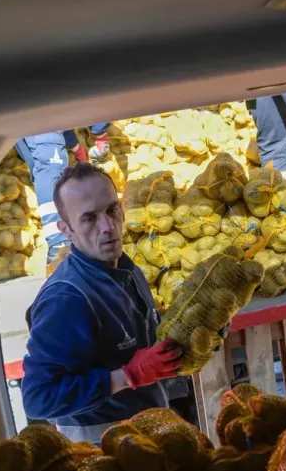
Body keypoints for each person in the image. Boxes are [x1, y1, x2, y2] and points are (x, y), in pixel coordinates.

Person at [21, 162, 194, 443]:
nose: (107, 227)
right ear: (66, 229)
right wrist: (127, 376)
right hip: (101, 449)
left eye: (112, 210)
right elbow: (38, 399)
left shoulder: (125, 269)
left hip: (148, 430)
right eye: (89, 218)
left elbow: (147, 352)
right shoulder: (67, 298)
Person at [14, 124, 111, 263]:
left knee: (41, 170)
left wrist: (76, 148)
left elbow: (62, 115)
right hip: (42, 119)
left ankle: (58, 244)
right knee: (51, 169)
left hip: (25, 119)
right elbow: (94, 104)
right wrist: (100, 134)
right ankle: (58, 244)